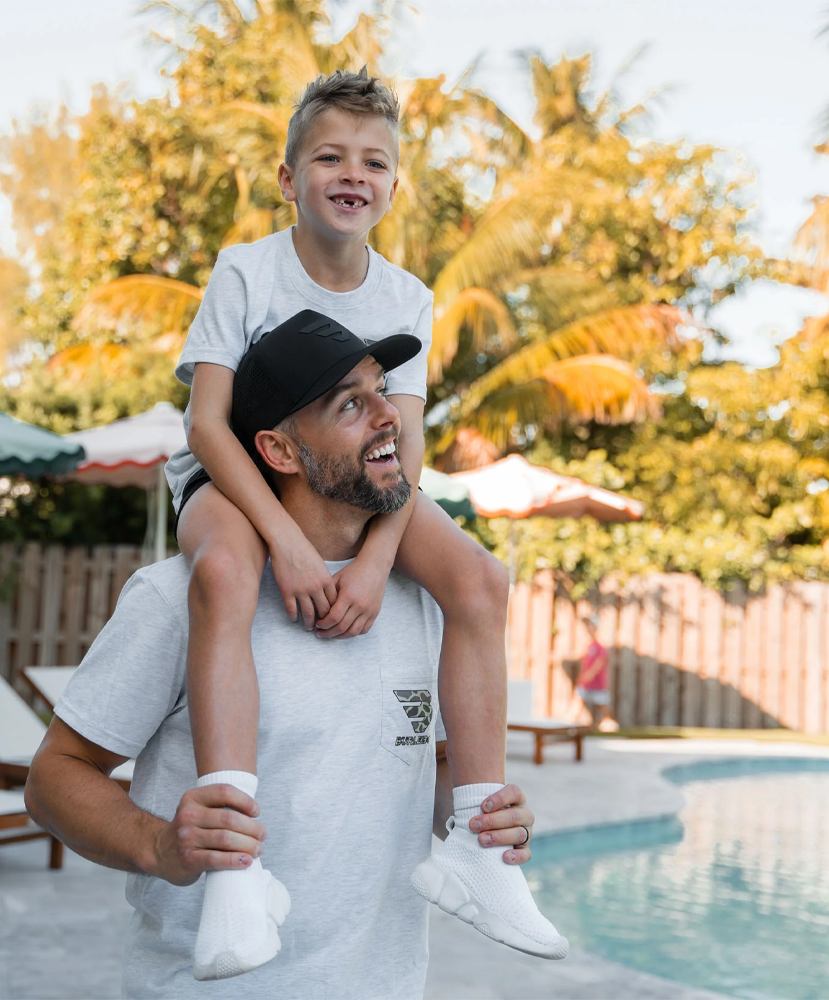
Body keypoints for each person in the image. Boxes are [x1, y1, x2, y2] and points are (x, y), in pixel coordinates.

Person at [25, 320, 567, 999]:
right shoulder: (179, 599)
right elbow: (53, 778)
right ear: (279, 450)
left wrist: (477, 817)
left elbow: (414, 766)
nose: (388, 416)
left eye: (380, 389)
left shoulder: (430, 604)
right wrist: (158, 845)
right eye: (350, 404)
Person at [161, 68, 521, 977]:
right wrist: (282, 542)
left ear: (394, 186)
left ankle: (476, 845)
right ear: (290, 179)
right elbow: (208, 425)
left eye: (374, 161)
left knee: (481, 580)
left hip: (363, 484)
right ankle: (236, 871)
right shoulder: (246, 268)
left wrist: (371, 563)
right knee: (223, 573)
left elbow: (405, 442)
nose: (352, 173)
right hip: (232, 471)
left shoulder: (406, 295)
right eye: (329, 157)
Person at [574, 615, 619, 732]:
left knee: (604, 707)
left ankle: (609, 724)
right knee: (577, 702)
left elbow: (599, 662)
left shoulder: (600, 647)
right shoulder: (588, 646)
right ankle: (569, 724)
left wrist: (589, 675)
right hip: (586, 684)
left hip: (598, 683)